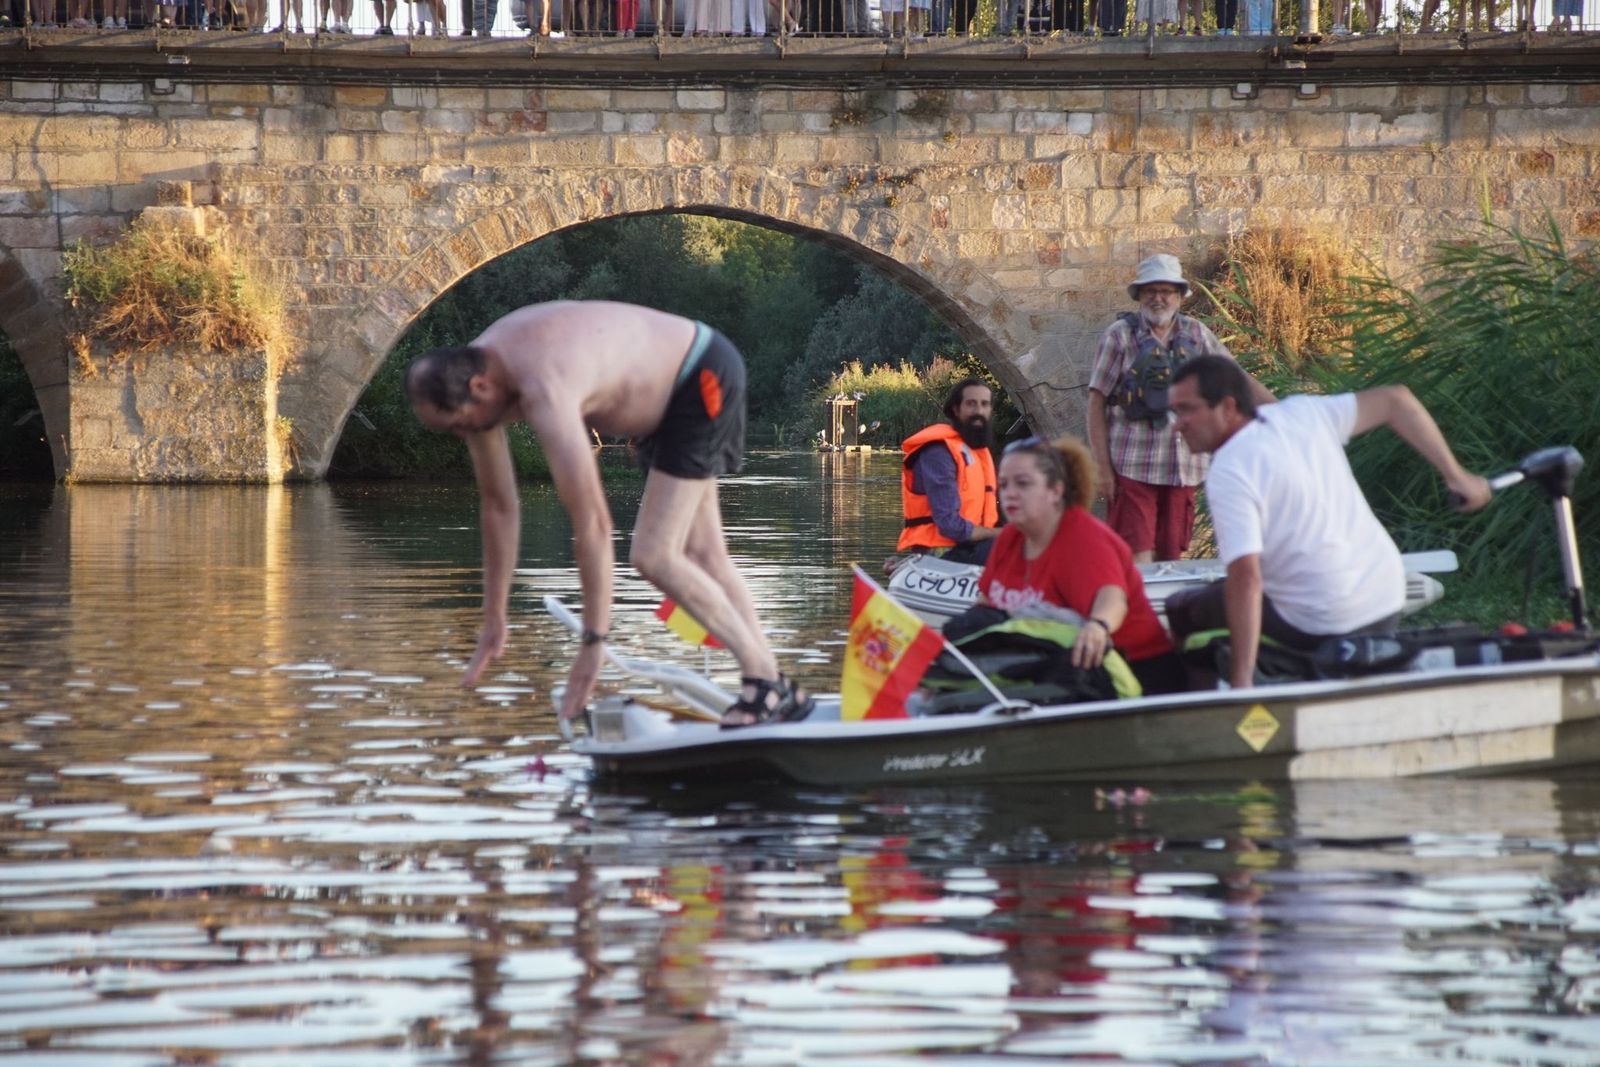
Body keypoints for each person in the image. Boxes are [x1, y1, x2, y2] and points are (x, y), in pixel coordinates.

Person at [405, 301, 811, 727]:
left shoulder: (544, 384)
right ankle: (777, 688)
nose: (464, 436)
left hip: (699, 374)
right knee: (703, 554)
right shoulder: (472, 377)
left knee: (654, 555)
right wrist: (494, 616)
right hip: (666, 401)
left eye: (459, 426)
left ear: (480, 388)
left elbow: (594, 523)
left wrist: (594, 642)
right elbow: (499, 506)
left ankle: (763, 680)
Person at [1163, 355, 1492, 689]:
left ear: (1228, 407)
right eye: (1175, 412)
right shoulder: (1302, 413)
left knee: (1181, 608)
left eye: (1187, 410)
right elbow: (1397, 400)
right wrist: (1457, 475)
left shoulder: (1229, 470)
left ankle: (1201, 716)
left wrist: (1241, 684)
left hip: (1320, 622)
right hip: (1385, 594)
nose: (1177, 424)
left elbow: (1246, 579)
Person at [1087, 253, 1274, 564]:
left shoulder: (1196, 334)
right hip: (1133, 467)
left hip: (1183, 470)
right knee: (1137, 563)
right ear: (1140, 295)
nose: (1158, 298)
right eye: (1151, 291)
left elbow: (1235, 377)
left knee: (1172, 561)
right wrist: (1103, 470)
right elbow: (1096, 401)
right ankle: (1139, 613)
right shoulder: (1119, 336)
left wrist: (1282, 411)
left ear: (1179, 297)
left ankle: (1166, 613)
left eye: (1166, 291)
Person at [974, 435, 1186, 696]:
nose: (1010, 494)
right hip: (1050, 668)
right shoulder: (1009, 538)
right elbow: (984, 605)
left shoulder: (1083, 537)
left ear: (1055, 490)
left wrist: (1098, 626)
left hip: (1134, 671)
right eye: (1004, 485)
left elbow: (1113, 597)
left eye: (1023, 484)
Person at [896, 377, 1000, 566]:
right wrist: (1001, 534)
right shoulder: (938, 453)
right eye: (971, 404)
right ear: (956, 409)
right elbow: (950, 525)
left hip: (971, 550)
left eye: (984, 404)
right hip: (939, 557)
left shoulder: (978, 453)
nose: (979, 411)